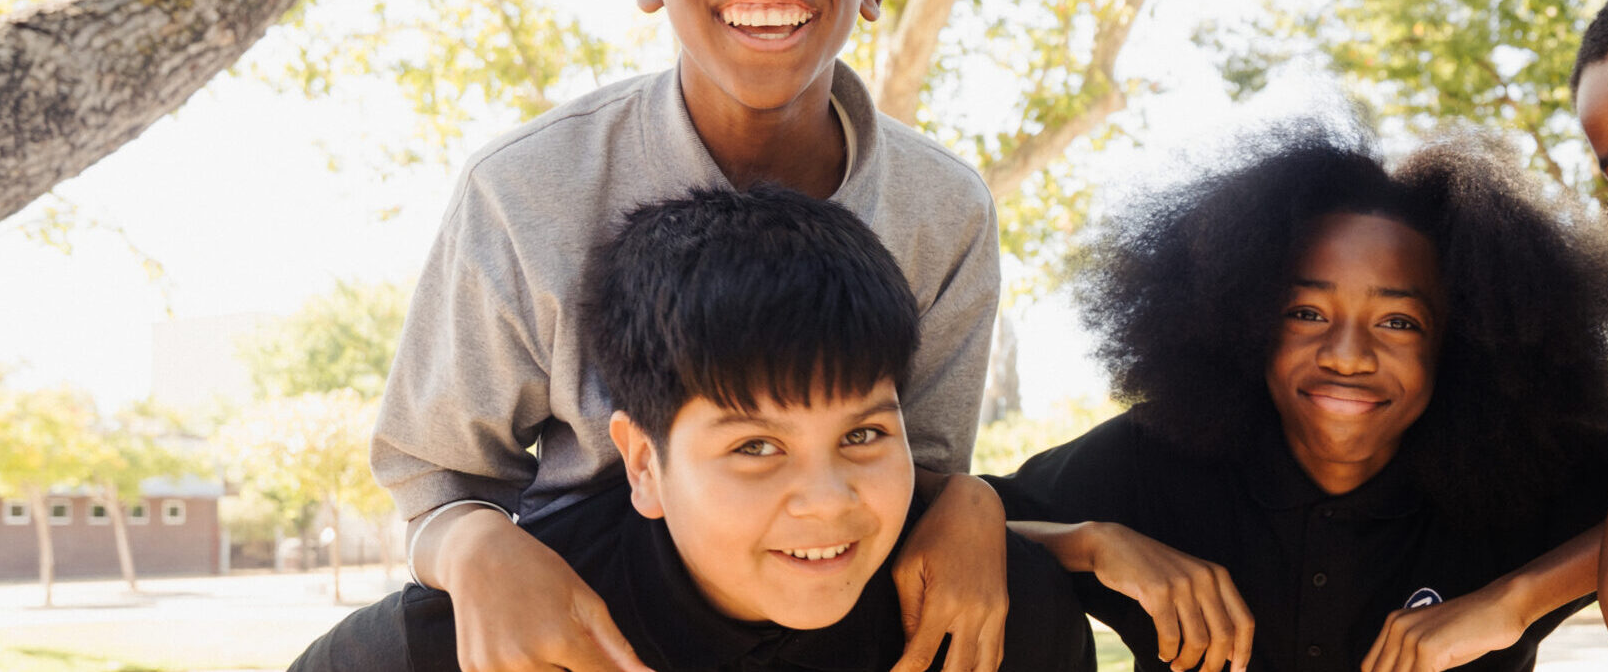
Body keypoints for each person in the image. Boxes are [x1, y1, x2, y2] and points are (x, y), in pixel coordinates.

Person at [368, 0, 1009, 672]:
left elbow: (919, 473)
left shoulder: (943, 209)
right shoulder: (523, 191)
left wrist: (972, 502)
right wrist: (474, 546)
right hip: (591, 625)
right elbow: (435, 476)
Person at [298, 188, 1092, 672]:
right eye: (756, 446)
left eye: (861, 437)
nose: (827, 499)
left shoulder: (1006, 617)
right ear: (644, 463)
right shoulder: (472, 641)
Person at [987, 126, 1608, 672]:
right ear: (1246, 320)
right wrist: (1096, 545)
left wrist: (1513, 602)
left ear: (1463, 341)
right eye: (1306, 312)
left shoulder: (1516, 473)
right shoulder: (1156, 460)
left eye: (1398, 322)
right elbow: (957, 527)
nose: (1346, 355)